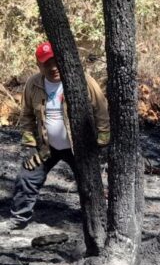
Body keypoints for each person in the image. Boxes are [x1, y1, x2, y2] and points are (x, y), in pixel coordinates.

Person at [4, 41, 110, 230]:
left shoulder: (83, 80)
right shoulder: (33, 83)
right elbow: (27, 116)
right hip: (46, 146)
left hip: (78, 147)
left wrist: (103, 139)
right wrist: (29, 145)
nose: (53, 68)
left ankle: (99, 219)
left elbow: (101, 109)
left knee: (90, 183)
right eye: (47, 63)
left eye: (56, 61)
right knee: (26, 177)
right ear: (38, 64)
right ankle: (18, 219)